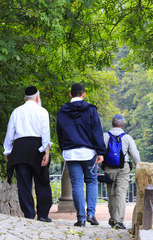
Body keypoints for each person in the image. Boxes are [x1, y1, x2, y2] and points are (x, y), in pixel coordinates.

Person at [56, 83, 106, 227]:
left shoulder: (62, 111)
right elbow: (96, 131)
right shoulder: (90, 110)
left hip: (71, 153)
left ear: (70, 94)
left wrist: (63, 148)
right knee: (91, 181)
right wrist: (100, 152)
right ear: (83, 94)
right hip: (88, 152)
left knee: (76, 185)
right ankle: (91, 213)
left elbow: (60, 133)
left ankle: (81, 218)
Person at [3, 86, 53, 222]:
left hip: (20, 149)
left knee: (24, 184)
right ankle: (42, 215)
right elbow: (45, 133)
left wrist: (7, 150)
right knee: (42, 181)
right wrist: (46, 151)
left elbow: (10, 132)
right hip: (37, 148)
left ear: (25, 97)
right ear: (37, 97)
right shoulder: (42, 111)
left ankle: (29, 214)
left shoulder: (16, 111)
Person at [103, 114, 141, 229]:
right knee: (121, 194)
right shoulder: (127, 137)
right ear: (123, 124)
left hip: (108, 168)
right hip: (123, 168)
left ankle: (113, 218)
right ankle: (118, 221)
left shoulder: (104, 136)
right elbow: (135, 155)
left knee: (112, 194)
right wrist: (139, 167)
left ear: (112, 123)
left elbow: (98, 153)